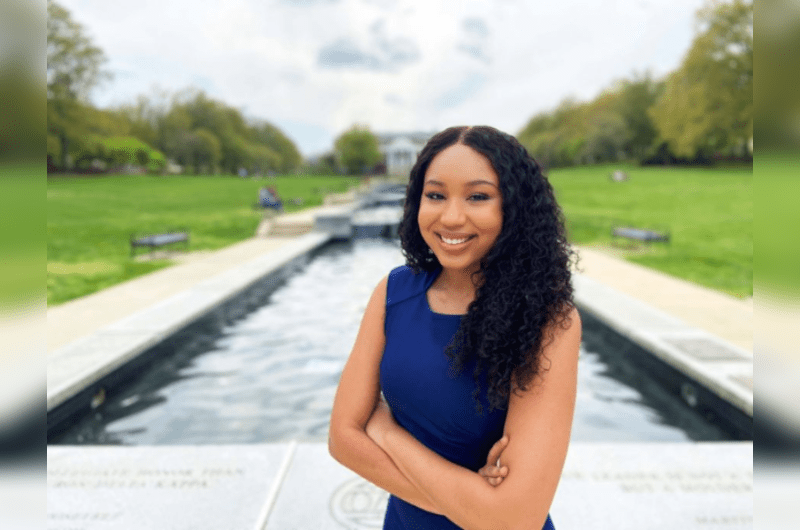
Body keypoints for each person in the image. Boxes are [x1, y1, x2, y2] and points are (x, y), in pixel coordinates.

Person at [329, 125, 581, 529]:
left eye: (478, 196)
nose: (451, 217)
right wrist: (474, 503)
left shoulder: (548, 320)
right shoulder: (393, 293)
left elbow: (515, 522)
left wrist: (387, 432)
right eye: (436, 195)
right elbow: (343, 439)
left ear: (512, 207)